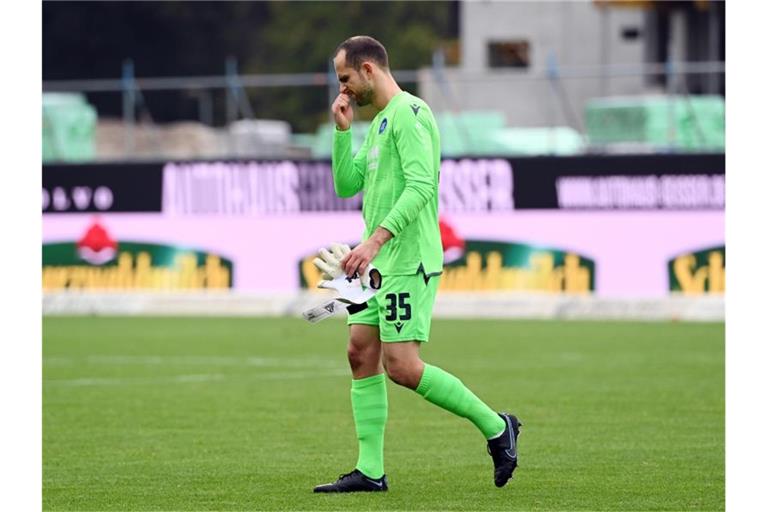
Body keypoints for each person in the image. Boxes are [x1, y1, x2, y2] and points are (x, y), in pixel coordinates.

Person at [313, 35, 521, 493]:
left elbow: (422, 186)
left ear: (369, 69)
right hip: (376, 266)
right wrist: (342, 130)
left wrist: (375, 240)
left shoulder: (410, 114)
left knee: (403, 367)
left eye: (345, 79)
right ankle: (370, 471)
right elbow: (348, 185)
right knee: (359, 353)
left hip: (407, 261)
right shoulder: (379, 123)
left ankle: (497, 427)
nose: (343, 90)